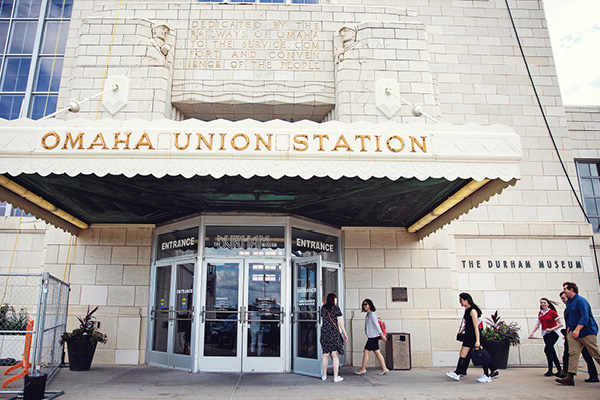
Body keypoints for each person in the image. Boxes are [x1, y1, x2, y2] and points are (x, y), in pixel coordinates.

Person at [446, 292, 498, 383]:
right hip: (468, 336)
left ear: (466, 300)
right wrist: (463, 330)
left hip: (473, 336)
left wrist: (477, 340)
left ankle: (486, 375)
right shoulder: (467, 309)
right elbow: (468, 324)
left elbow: (475, 326)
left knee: (481, 355)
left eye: (461, 300)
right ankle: (457, 373)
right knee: (463, 354)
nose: (460, 302)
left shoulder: (473, 311)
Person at [556, 282, 600, 386]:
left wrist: (577, 330)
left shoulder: (581, 301)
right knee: (573, 354)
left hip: (586, 332)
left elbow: (584, 316)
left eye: (565, 288)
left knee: (595, 353)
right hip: (573, 332)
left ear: (572, 290)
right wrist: (568, 332)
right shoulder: (569, 302)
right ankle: (570, 377)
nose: (564, 290)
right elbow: (570, 318)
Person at [528, 297, 564, 376]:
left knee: (549, 349)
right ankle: (552, 370)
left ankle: (558, 369)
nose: (543, 304)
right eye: (541, 303)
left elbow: (561, 324)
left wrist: (551, 329)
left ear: (548, 304)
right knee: (549, 351)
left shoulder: (552, 312)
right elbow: (538, 323)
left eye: (544, 302)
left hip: (553, 333)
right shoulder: (540, 313)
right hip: (545, 334)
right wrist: (532, 332)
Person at [354, 298, 389, 376]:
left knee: (366, 351)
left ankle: (363, 369)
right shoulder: (369, 314)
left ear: (370, 305)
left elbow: (377, 326)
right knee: (377, 352)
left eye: (366, 304)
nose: (364, 306)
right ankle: (384, 368)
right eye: (363, 304)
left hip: (373, 337)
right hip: (372, 336)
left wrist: (382, 335)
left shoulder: (372, 314)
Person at [319, 293, 347, 383]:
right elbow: (340, 322)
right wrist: (345, 333)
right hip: (334, 333)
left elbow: (323, 318)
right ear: (333, 300)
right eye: (335, 299)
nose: (336, 301)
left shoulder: (323, 308)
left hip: (324, 332)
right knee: (335, 355)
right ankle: (336, 377)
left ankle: (324, 375)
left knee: (325, 355)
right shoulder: (336, 308)